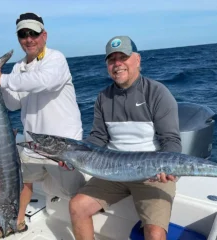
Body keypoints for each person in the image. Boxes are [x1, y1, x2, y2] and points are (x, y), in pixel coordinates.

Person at [0, 12, 85, 239]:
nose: (29, 39)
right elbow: (12, 103)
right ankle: (16, 222)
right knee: (24, 183)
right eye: (23, 34)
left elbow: (43, 81)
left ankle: (85, 225)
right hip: (33, 144)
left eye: (33, 33)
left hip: (63, 145)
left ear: (44, 35)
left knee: (74, 190)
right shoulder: (18, 68)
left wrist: (3, 80)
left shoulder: (56, 59)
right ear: (19, 38)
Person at [68, 36, 181, 240]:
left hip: (152, 174)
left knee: (155, 233)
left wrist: (168, 168)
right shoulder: (103, 97)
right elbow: (98, 137)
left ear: (137, 60)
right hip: (112, 171)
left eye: (123, 57)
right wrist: (74, 155)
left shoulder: (157, 93)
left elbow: (171, 139)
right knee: (77, 206)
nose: (117, 64)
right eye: (112, 60)